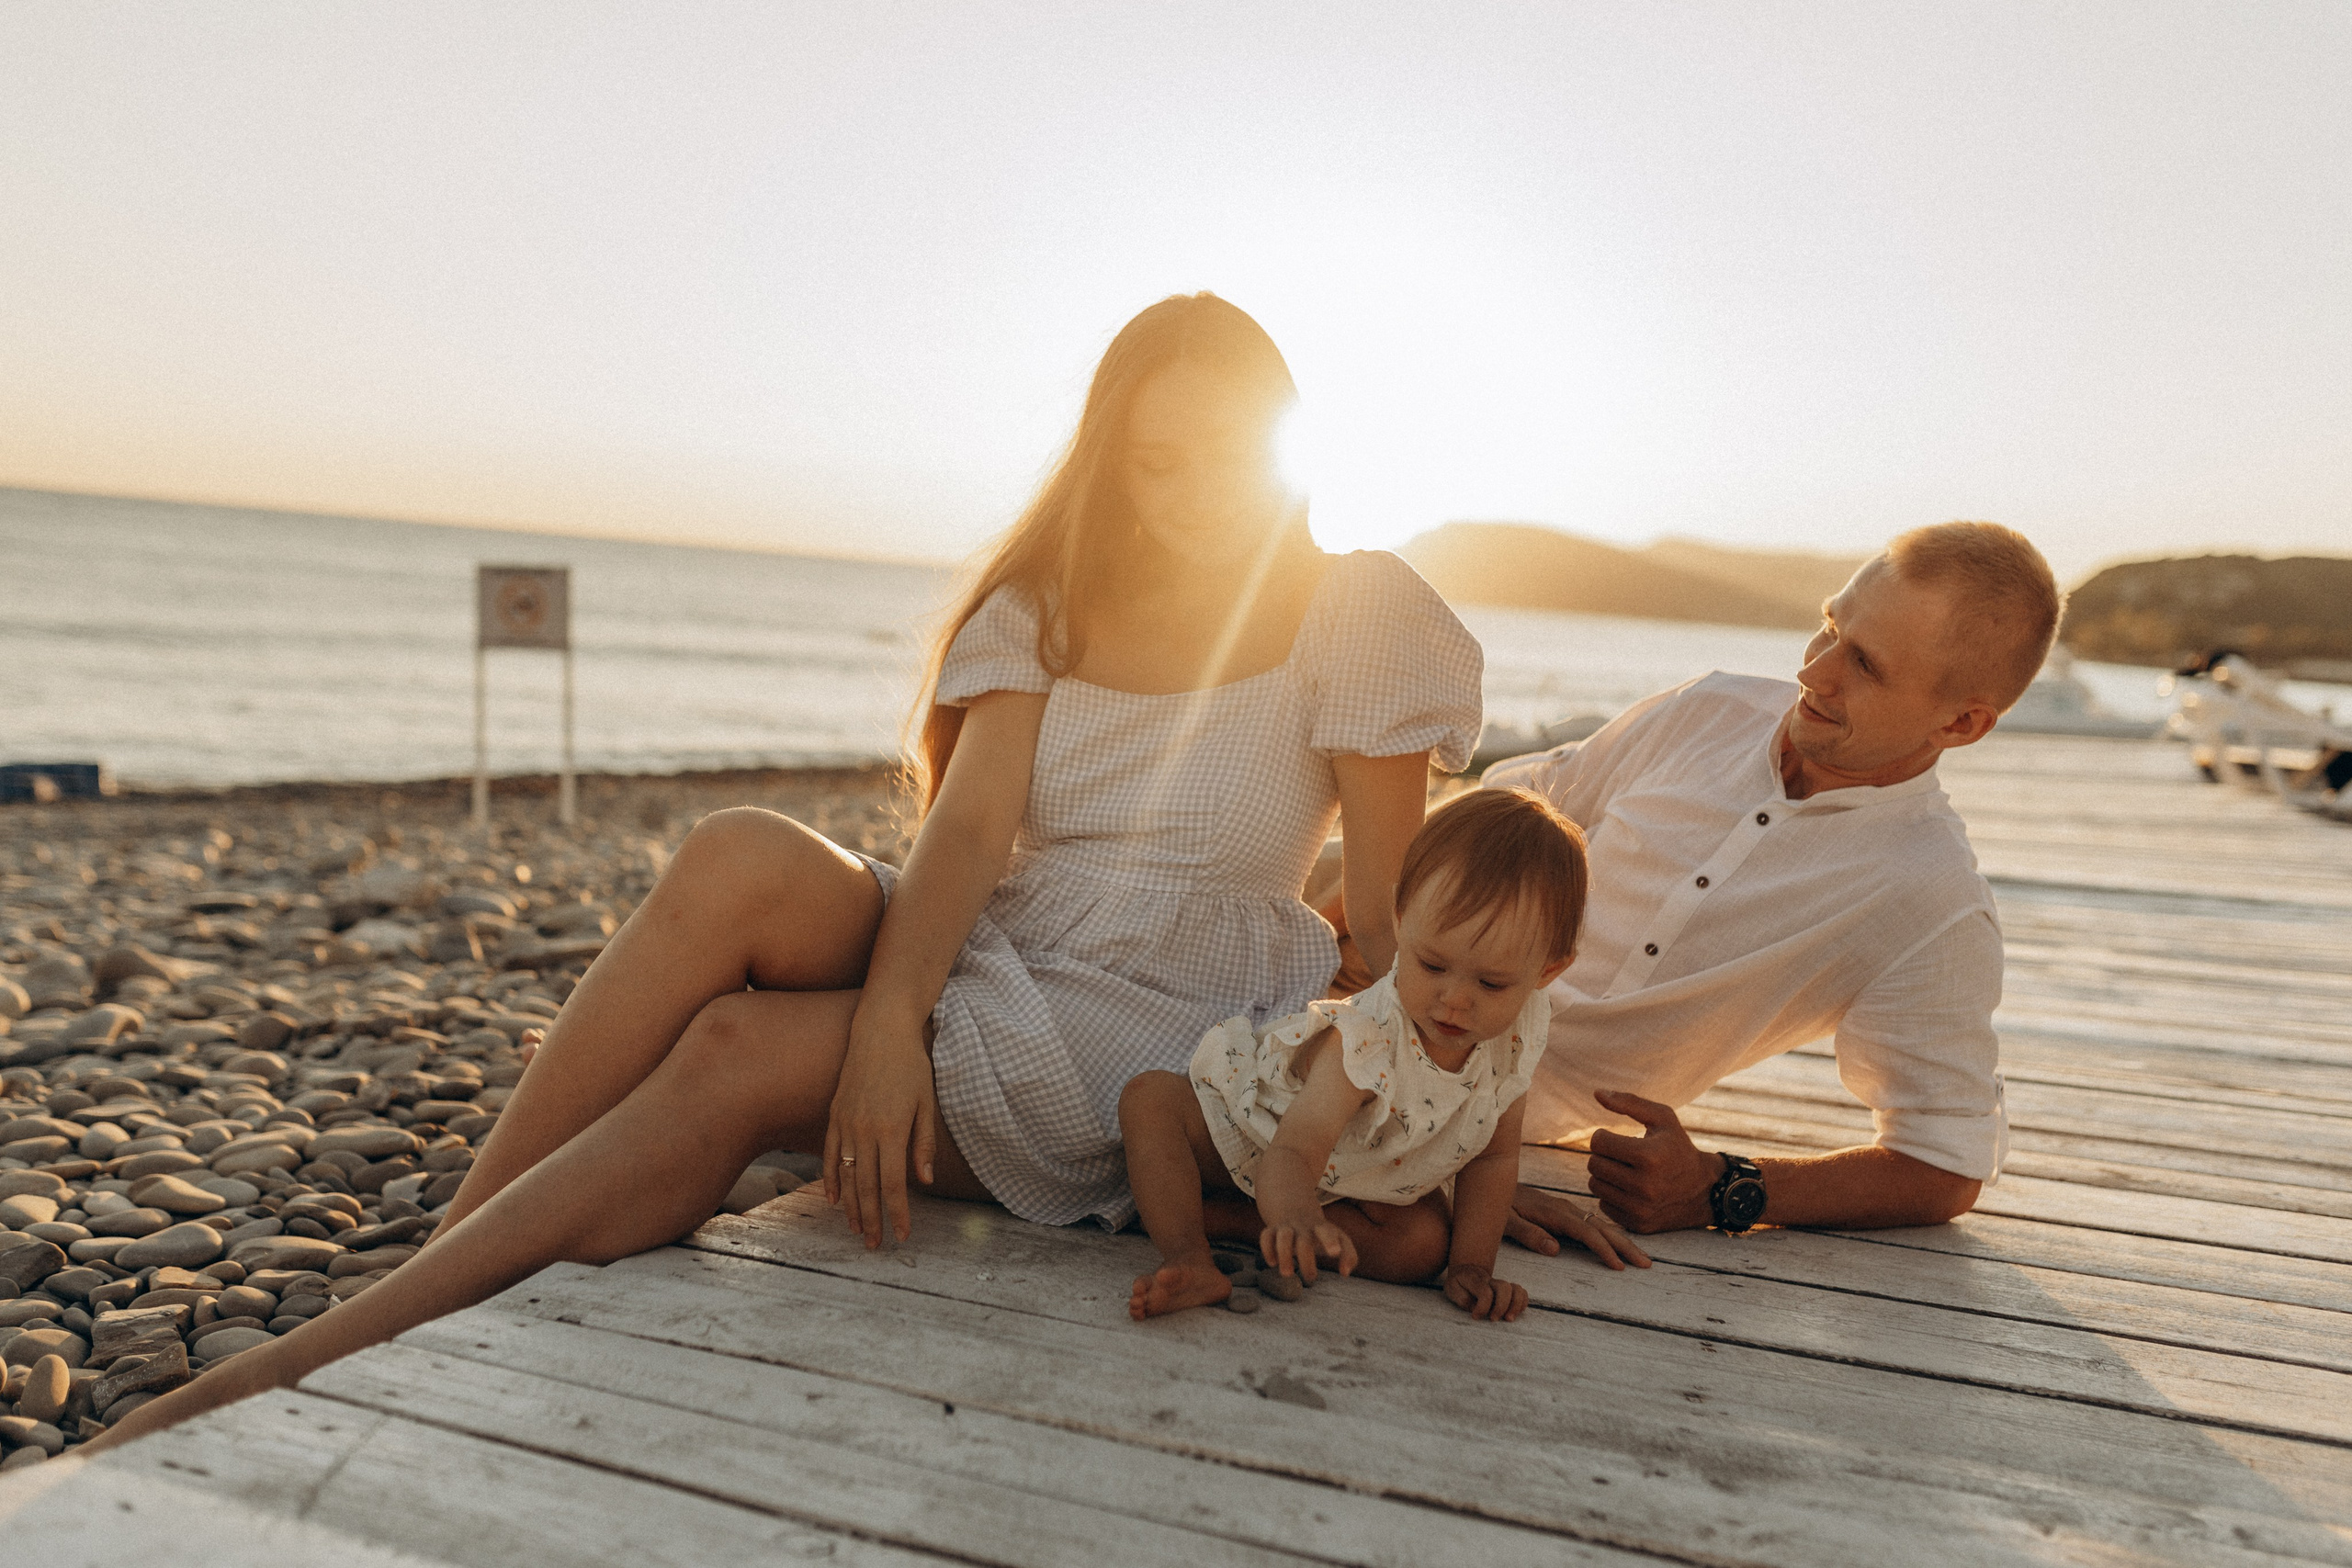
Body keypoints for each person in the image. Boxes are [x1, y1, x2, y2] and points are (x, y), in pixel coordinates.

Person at [85, 292, 1483, 1453]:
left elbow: (1396, 924)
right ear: (1114, 459)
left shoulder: (1355, 610)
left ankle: (326, 1351)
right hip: (1012, 934)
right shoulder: (1049, 604)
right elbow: (970, 835)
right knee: (738, 854)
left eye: (1229, 454)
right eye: (1157, 461)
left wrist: (1429, 1132)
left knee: (738, 1050)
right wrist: (886, 1018)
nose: (1190, 496)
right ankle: (450, 1258)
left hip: (1169, 1009)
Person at [1480, 522, 2064, 1251]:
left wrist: (1722, 1186)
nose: (1814, 673)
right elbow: (1524, 798)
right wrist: (1367, 919)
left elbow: (1943, 1163)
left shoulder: (1930, 896)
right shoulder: (1708, 708)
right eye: (1828, 626)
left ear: (1962, 721)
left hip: (1466, 1109)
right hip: (1375, 972)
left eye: (1866, 666)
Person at [1120, 787, 1586, 1323]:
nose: (1454, 1000)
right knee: (1150, 1099)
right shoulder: (1367, 1037)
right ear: (1400, 918)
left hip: (1351, 1182)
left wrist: (1471, 1266)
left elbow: (1494, 1157)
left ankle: (1224, 1220)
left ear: (1548, 971)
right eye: (1432, 965)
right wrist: (1295, 1212)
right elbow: (1294, 1151)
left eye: (1491, 983)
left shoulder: (1517, 1038)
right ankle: (1189, 1257)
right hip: (1259, 1137)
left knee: (1424, 1244)